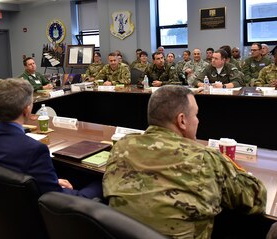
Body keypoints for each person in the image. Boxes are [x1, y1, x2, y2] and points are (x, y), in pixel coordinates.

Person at [103, 85, 267, 239]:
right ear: (182, 120)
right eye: (195, 115)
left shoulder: (121, 146)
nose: (198, 120)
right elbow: (256, 198)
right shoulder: (205, 158)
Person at [0, 78, 102, 199]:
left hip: (5, 205)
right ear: (27, 110)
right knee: (100, 182)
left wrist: (52, 181)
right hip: (42, 211)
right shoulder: (35, 149)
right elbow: (56, 198)